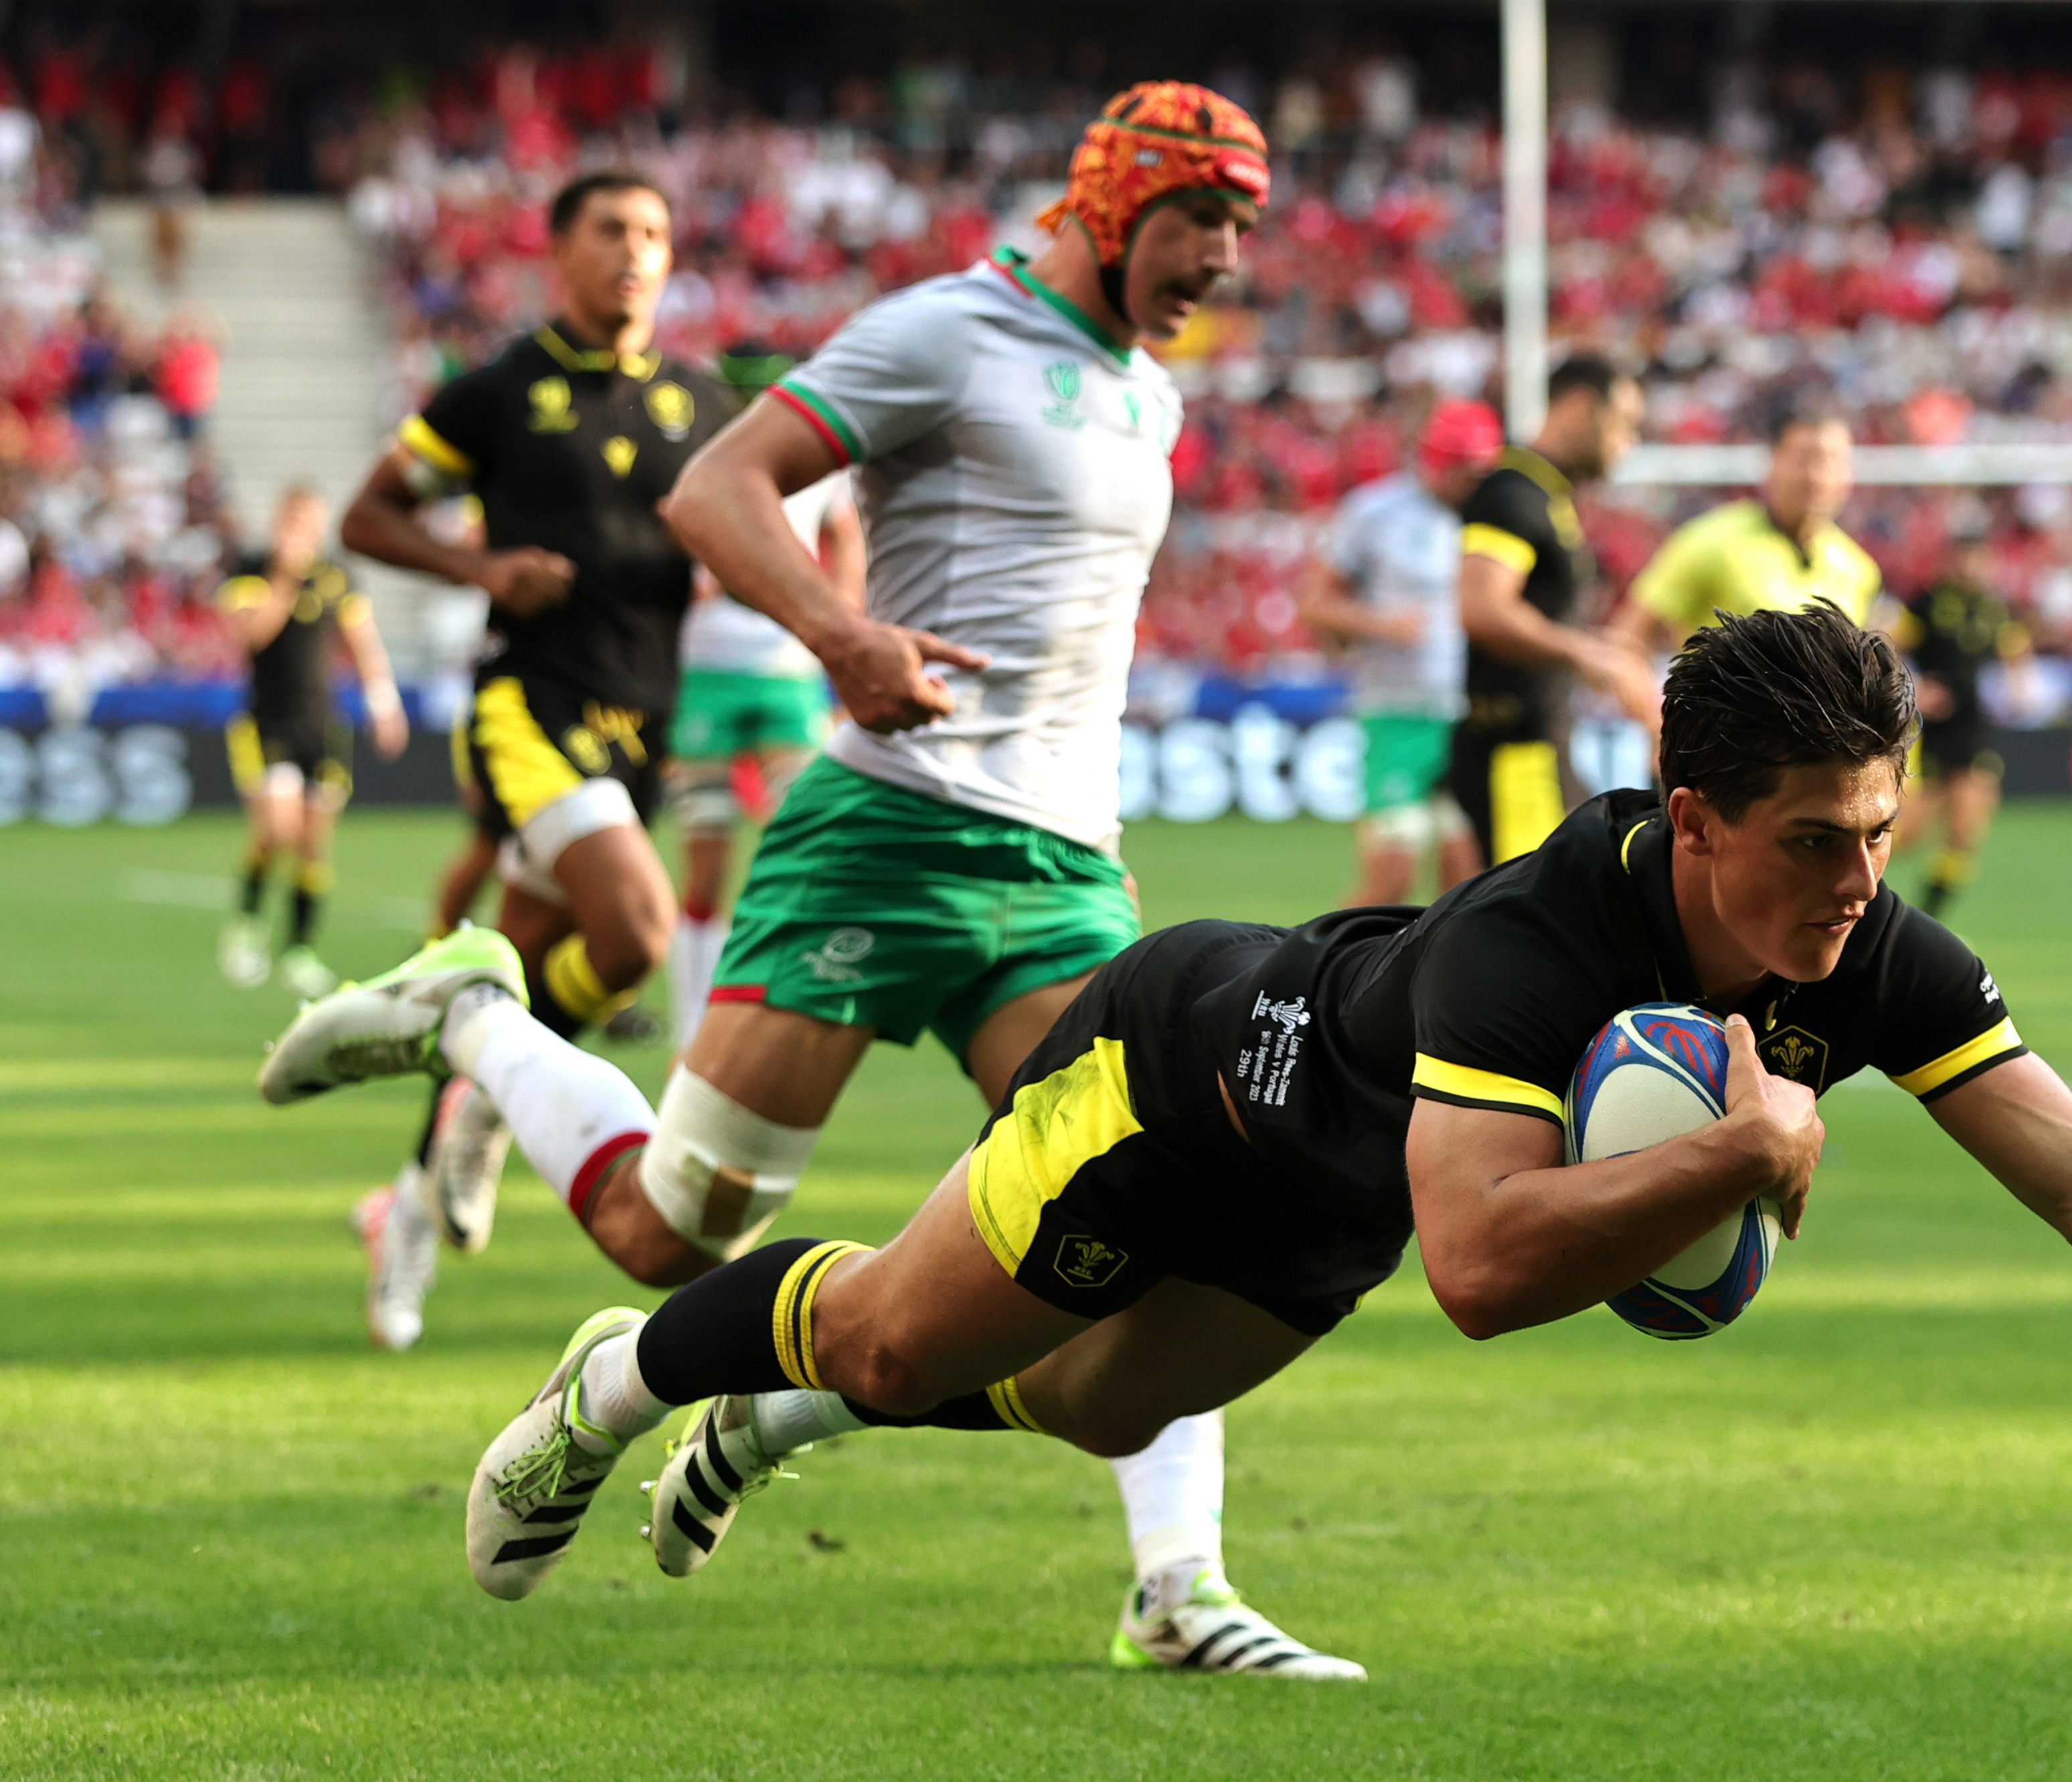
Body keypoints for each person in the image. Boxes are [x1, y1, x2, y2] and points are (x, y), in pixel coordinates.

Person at [414, 604, 2072, 1651]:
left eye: (1878, 833)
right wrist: (1735, 1155)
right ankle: (613, 1384)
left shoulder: (1868, 946)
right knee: (885, 1339)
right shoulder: (1538, 930)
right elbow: (1499, 1278)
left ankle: (779, 1404)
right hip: (1191, 1076)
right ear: (1692, 822)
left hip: (1343, 1207)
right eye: (1813, 840)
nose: (1859, 879)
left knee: (1083, 1409)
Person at [263, 86, 1359, 1682]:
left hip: (1057, 871)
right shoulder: (944, 330)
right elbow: (714, 488)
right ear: (1116, 205)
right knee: (669, 1233)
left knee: (1160, 1219)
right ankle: (473, 1016)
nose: (1224, 260)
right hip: (882, 835)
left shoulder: (1148, 395)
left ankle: (1172, 1583)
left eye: (1244, 229)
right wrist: (842, 638)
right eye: (1204, 221)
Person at [329, 167, 743, 1346]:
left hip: (642, 722)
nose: (635, 250)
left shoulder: (703, 403)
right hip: (531, 707)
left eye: (655, 232)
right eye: (611, 228)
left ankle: (403, 1206)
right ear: (558, 249)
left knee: (518, 980)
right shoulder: (499, 394)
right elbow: (369, 517)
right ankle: (485, 1117)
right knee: (636, 935)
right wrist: (481, 571)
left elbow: (771, 519)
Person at [663, 341, 861, 1054]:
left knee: (804, 839)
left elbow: (847, 540)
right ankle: (694, 1031)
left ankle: (775, 1016)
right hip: (705, 669)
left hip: (784, 670)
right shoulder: (698, 459)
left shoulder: (817, 465)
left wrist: (843, 627)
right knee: (708, 862)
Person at [1450, 354, 1656, 868]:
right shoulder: (1512, 493)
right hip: (1515, 751)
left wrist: (1605, 648)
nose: (1628, 442)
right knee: (1530, 931)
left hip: (1540, 746)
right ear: (1580, 407)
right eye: (1624, 424)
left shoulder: (1547, 494)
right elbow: (1480, 607)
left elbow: (1535, 615)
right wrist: (1586, 652)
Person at [1298, 396, 1500, 906]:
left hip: (1469, 717)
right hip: (1396, 715)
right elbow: (1316, 603)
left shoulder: (1494, 518)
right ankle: (1314, 976)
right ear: (1436, 462)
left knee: (1469, 881)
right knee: (1390, 881)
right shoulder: (1375, 511)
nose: (1472, 486)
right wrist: (1380, 624)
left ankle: (1445, 985)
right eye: (1464, 473)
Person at [215, 483, 408, 998]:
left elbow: (362, 643)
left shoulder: (337, 576)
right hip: (266, 723)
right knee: (275, 830)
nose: (301, 532)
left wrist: (383, 703)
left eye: (309, 522)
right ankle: (248, 925)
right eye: (293, 521)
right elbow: (250, 636)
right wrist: (283, 577)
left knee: (313, 845)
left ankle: (300, 950)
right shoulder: (251, 570)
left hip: (322, 726)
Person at [1607, 404, 1881, 655]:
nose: (1816, 477)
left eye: (1832, 462)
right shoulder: (1711, 541)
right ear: (1773, 462)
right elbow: (1627, 636)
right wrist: (1649, 702)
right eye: (1803, 459)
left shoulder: (1858, 570)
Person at [1889, 542, 2034, 915]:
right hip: (1928, 732)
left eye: (1981, 559)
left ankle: (1928, 923)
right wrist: (1914, 688)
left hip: (1973, 730)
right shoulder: (1926, 605)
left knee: (1964, 833)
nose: (1974, 567)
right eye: (1967, 559)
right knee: (1906, 835)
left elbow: (2016, 649)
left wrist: (2018, 685)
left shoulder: (1993, 608)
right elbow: (1886, 647)